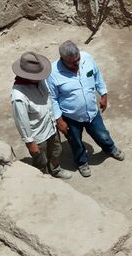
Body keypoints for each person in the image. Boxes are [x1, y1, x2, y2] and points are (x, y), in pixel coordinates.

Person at [46, 40, 125, 178]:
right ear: (62, 59)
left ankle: (110, 148)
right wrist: (59, 120)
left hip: (92, 112)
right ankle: (82, 162)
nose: (77, 64)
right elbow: (52, 98)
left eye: (78, 60)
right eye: (72, 62)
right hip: (71, 117)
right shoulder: (53, 73)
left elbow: (97, 76)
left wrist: (103, 94)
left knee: (102, 134)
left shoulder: (87, 58)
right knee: (75, 142)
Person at [10, 51, 72, 179]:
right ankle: (43, 179)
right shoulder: (19, 96)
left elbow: (49, 100)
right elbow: (22, 122)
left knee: (56, 151)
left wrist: (56, 119)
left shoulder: (40, 81)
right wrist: (30, 143)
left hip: (51, 127)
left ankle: (55, 169)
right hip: (38, 136)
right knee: (40, 161)